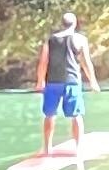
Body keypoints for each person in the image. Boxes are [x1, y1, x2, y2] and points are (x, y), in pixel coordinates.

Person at [36, 12, 97, 161]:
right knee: (76, 115)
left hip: (52, 82)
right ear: (74, 24)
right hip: (72, 82)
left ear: (62, 24)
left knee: (49, 115)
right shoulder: (80, 39)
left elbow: (43, 62)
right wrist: (93, 82)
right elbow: (86, 62)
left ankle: (47, 148)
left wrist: (40, 81)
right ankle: (78, 149)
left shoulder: (50, 40)